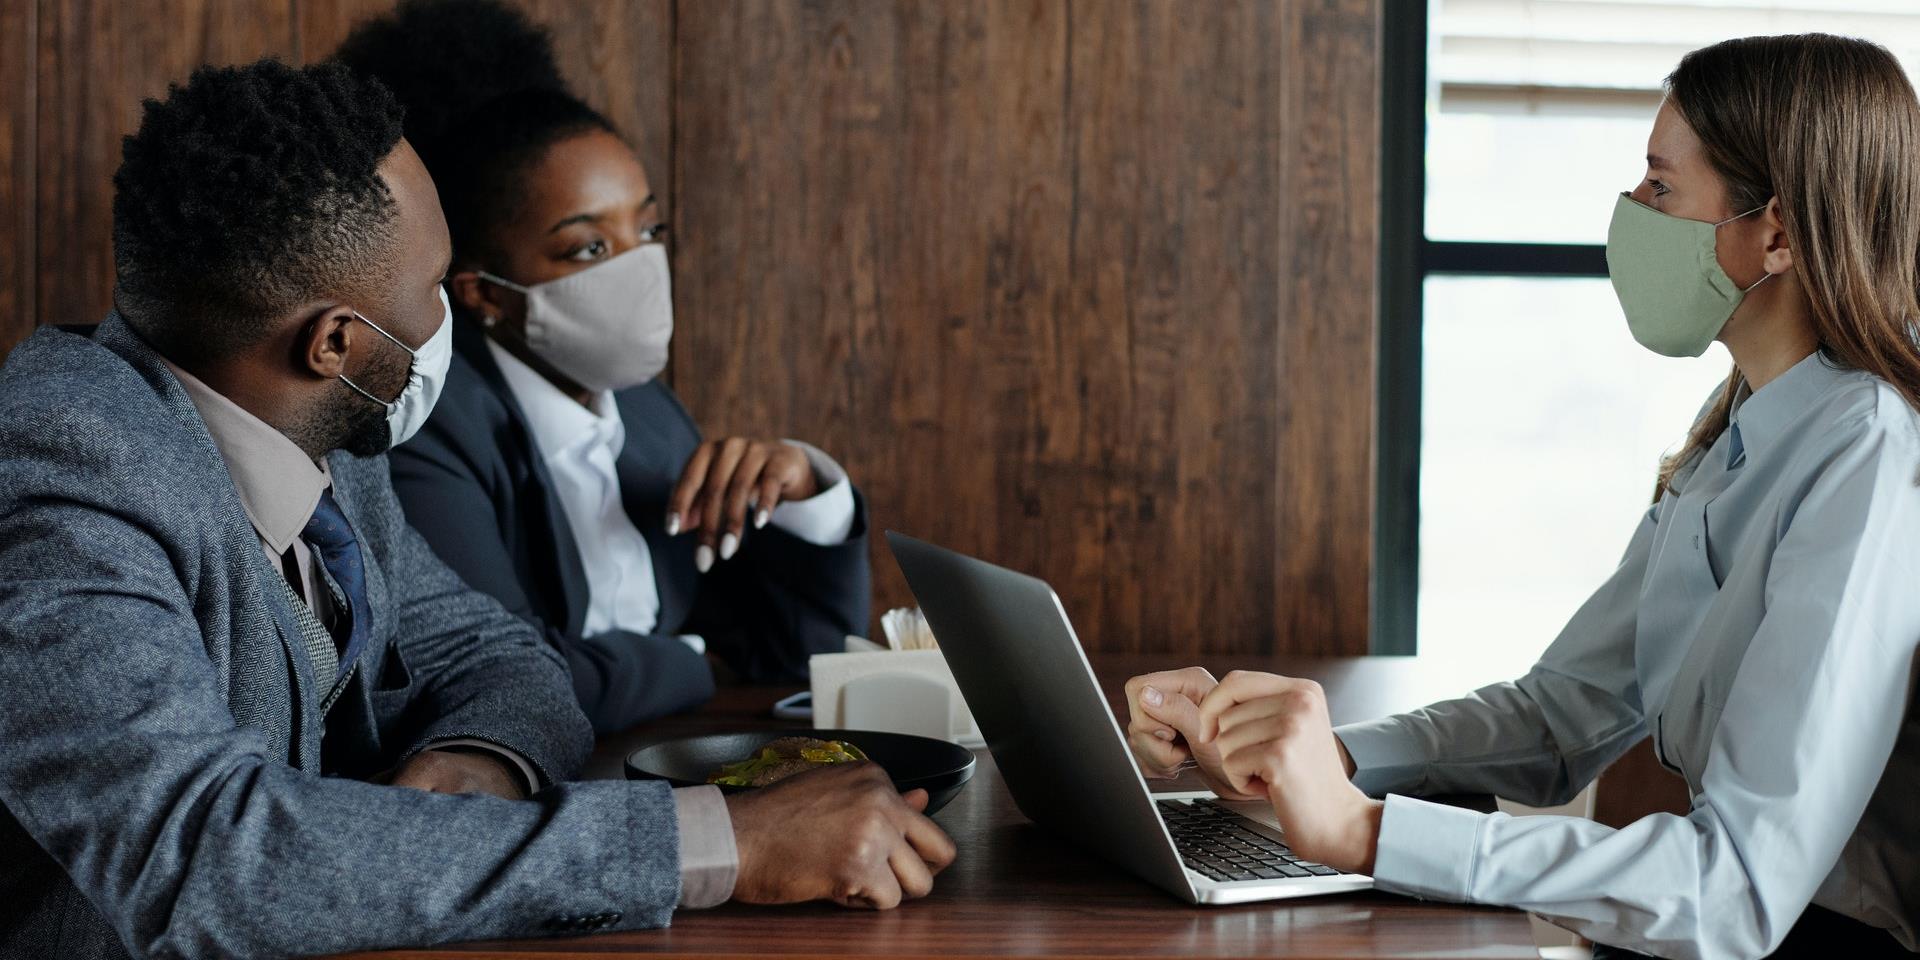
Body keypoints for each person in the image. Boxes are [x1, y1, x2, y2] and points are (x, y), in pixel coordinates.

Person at [0, 59, 951, 960]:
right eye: (431, 287)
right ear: (337, 342)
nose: (444, 319)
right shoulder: (65, 477)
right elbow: (201, 860)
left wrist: (470, 768)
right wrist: (718, 842)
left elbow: (501, 656)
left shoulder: (323, 433)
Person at [1124, 34, 1918, 960]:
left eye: (1660, 187)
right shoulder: (1748, 419)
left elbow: (1732, 889)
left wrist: (1368, 833)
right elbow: (1561, 715)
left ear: (1775, 233)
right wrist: (1312, 760)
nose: (1629, 212)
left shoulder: (1870, 454)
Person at [332, 0, 871, 734]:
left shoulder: (649, 413)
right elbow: (509, 679)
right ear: (484, 293)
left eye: (648, 228)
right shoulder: (431, 428)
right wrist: (689, 663)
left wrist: (812, 494)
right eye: (588, 247)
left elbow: (798, 656)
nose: (641, 265)